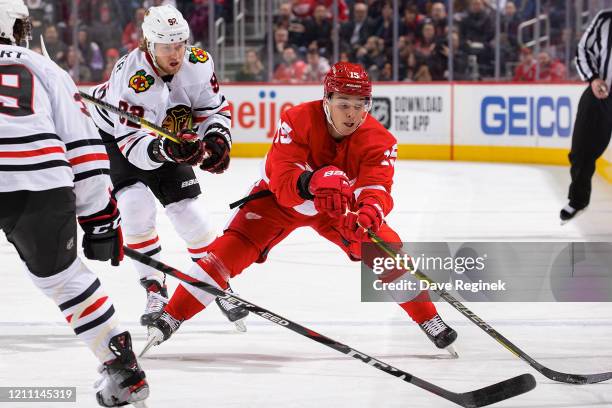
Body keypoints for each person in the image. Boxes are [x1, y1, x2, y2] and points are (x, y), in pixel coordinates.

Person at [144, 62, 459, 355]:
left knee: (385, 249)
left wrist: (369, 212)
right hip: (278, 202)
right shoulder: (296, 119)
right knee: (226, 253)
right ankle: (172, 315)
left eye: (359, 105)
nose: (352, 115)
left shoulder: (380, 140)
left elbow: (377, 186)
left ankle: (428, 317)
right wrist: (313, 181)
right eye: (343, 105)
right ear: (327, 100)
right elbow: (282, 179)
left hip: (338, 208)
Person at [0, 1, 148, 406]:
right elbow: (84, 148)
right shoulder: (45, 68)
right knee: (64, 280)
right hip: (38, 176)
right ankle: (124, 372)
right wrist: (100, 215)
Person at [89, 4, 248, 330]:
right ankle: (154, 288)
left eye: (180, 44)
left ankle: (215, 280)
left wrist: (218, 139)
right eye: (166, 46)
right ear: (149, 44)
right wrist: (168, 149)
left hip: (166, 137)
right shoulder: (131, 77)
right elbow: (132, 146)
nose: (176, 53)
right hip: (118, 138)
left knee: (191, 214)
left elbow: (212, 110)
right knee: (135, 207)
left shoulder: (199, 64)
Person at [561, 9, 612, 223]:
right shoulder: (605, 19)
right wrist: (593, 78)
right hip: (601, 92)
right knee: (581, 149)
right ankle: (578, 199)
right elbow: (583, 48)